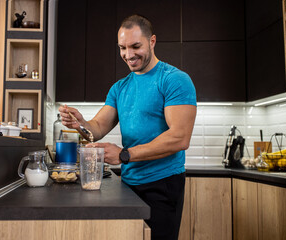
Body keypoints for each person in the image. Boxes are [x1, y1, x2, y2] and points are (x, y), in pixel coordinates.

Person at [59, 14, 197, 240]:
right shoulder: (120, 87)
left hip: (162, 184)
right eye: (122, 48)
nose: (128, 54)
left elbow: (179, 138)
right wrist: (79, 124)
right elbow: (98, 128)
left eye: (135, 46)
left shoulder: (174, 80)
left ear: (152, 41)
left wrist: (125, 154)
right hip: (129, 183)